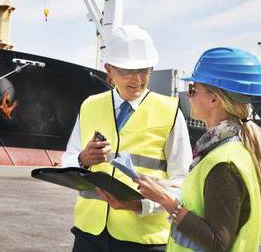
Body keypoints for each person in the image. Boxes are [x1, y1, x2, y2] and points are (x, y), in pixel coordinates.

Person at [131, 47, 261, 251]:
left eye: (192, 89)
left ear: (214, 99)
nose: (188, 95)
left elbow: (218, 244)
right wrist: (164, 187)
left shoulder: (223, 164)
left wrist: (165, 200)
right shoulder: (235, 148)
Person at [62, 25, 193, 252]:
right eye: (127, 72)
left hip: (143, 239)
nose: (137, 80)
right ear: (109, 71)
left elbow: (183, 182)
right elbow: (67, 162)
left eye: (144, 71)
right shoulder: (89, 106)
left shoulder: (170, 112)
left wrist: (141, 205)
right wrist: (82, 159)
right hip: (89, 234)